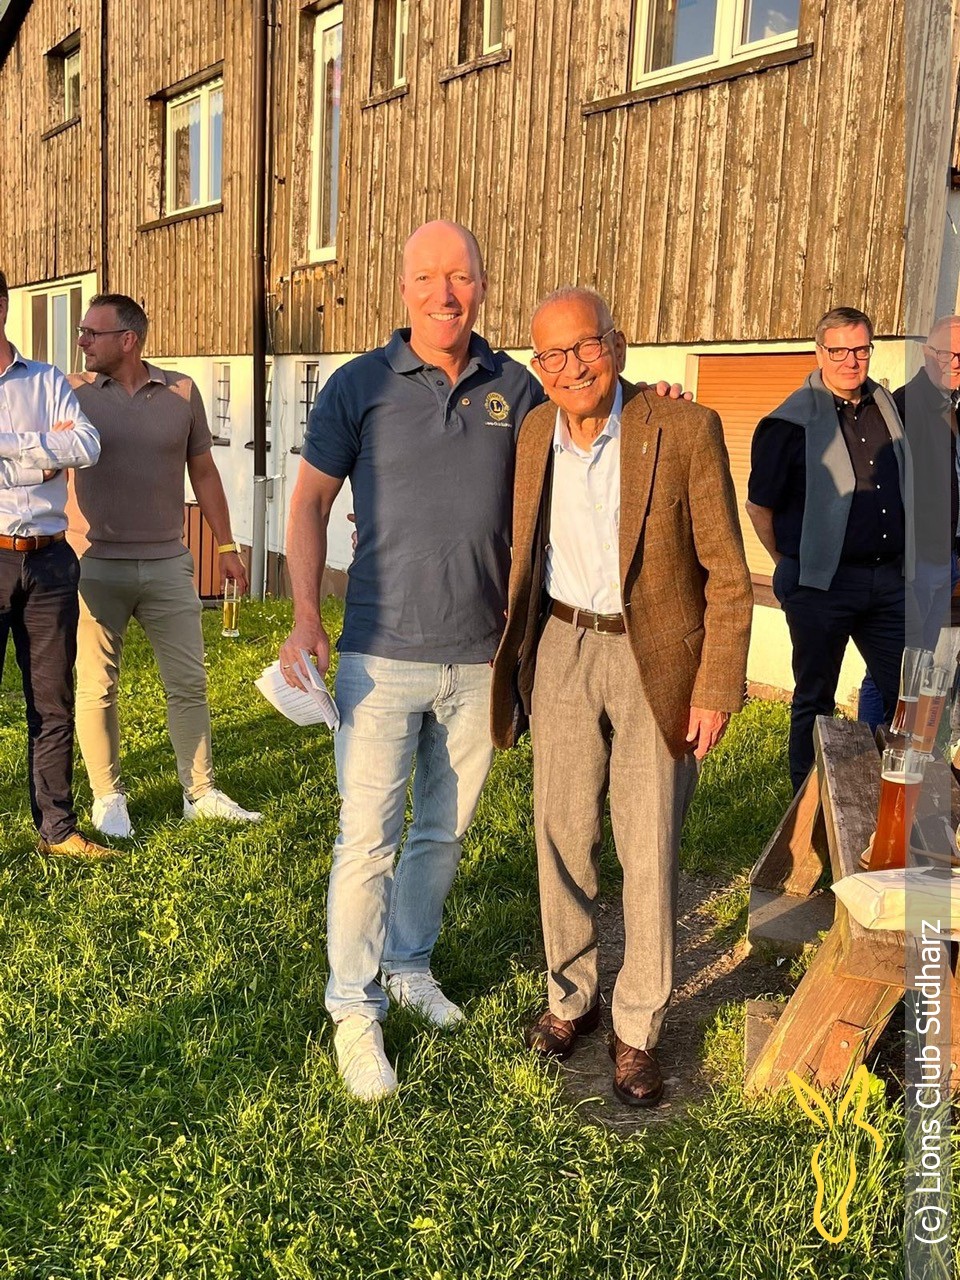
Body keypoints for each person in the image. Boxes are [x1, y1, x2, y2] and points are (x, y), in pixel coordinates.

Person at [281, 219, 684, 1101]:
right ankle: (353, 1007)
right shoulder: (358, 385)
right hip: (380, 654)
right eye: (427, 277)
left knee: (442, 832)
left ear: (483, 287)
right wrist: (307, 614)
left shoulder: (518, 387)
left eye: (460, 276)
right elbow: (308, 502)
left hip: (484, 661)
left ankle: (408, 965)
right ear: (403, 288)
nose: (444, 294)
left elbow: (588, 415)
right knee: (366, 839)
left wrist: (647, 399)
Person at [490, 286, 752, 1107]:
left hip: (655, 659)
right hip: (562, 644)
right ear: (538, 366)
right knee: (562, 833)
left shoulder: (684, 428)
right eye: (552, 354)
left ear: (618, 343)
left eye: (586, 345)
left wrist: (716, 685)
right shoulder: (534, 432)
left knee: (649, 844)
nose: (572, 366)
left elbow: (728, 573)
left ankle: (638, 1026)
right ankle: (571, 997)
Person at [67, 294, 261, 837]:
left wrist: (226, 546)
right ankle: (108, 798)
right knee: (97, 687)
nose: (82, 341)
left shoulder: (182, 392)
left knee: (189, 683)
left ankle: (200, 792)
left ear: (128, 340)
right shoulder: (70, 392)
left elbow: (204, 471)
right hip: (93, 564)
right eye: (81, 331)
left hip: (168, 563)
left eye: (92, 332)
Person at [746, 306, 906, 792]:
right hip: (820, 586)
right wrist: (789, 564)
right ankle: (806, 809)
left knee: (908, 699)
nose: (851, 361)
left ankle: (896, 800)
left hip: (887, 582)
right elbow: (759, 507)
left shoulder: (885, 407)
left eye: (860, 349)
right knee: (815, 700)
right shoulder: (789, 422)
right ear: (819, 353)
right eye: (839, 351)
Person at [0, 269, 115, 860]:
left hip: (49, 562)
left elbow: (86, 446)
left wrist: (9, 445)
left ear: (3, 307)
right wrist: (46, 450)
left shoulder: (46, 380)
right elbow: (63, 449)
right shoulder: (48, 398)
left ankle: (58, 829)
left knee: (53, 701)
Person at [858, 315, 960, 728]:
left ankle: (902, 745)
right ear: (926, 353)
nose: (956, 363)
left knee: (919, 664)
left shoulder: (954, 405)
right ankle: (871, 744)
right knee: (891, 664)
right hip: (913, 562)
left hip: (946, 559)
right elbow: (883, 492)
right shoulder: (901, 408)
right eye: (947, 354)